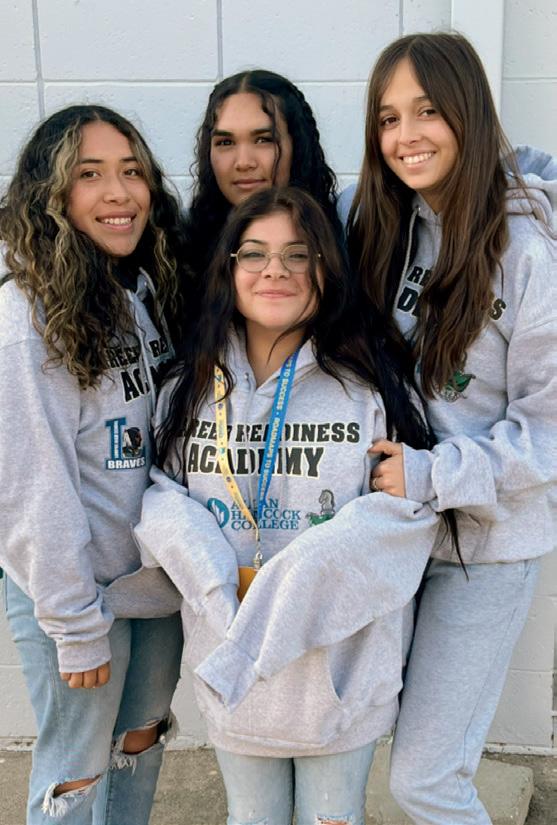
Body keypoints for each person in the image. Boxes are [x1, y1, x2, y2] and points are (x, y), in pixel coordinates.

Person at [114, 186, 459, 825]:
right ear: (229, 269)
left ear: (328, 270)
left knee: (334, 816)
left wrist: (296, 583)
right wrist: (218, 588)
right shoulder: (188, 384)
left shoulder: (371, 383)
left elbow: (407, 520)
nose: (275, 270)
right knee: (252, 817)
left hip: (339, 677)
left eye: (299, 255)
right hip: (233, 661)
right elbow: (159, 499)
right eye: (255, 254)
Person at [345, 33, 557, 824]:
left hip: (484, 546)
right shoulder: (386, 223)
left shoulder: (526, 249)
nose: (405, 135)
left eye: (426, 110)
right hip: (395, 530)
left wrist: (433, 474)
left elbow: (547, 430)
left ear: (467, 110)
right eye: (387, 117)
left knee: (425, 779)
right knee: (355, 740)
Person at [0, 104, 187, 825]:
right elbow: (30, 488)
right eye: (89, 175)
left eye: (131, 171)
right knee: (75, 773)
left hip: (151, 585)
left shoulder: (140, 290)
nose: (119, 193)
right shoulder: (28, 315)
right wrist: (75, 624)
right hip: (79, 595)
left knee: (139, 744)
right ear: (50, 195)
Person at [185, 69, 342, 282]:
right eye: (225, 142)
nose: (243, 163)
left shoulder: (347, 235)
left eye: (263, 140)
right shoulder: (182, 251)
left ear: (297, 145)